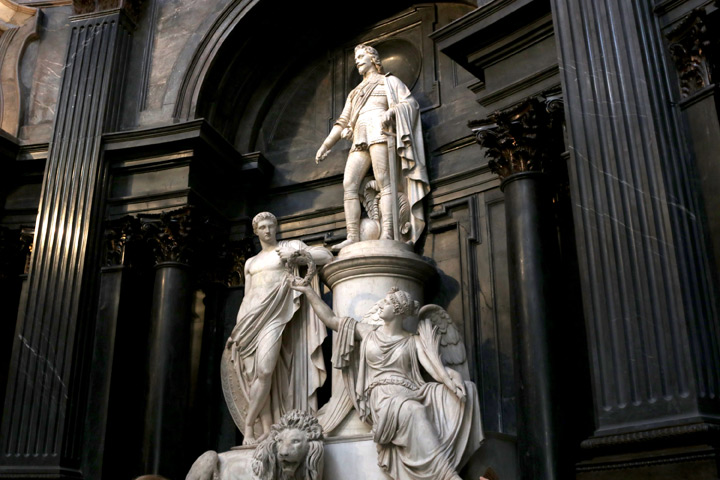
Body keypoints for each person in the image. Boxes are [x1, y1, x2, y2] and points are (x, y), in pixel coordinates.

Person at [290, 282, 483, 480]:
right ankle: (447, 475)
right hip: (382, 395)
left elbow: (436, 370)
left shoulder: (413, 341)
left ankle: (440, 469)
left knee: (466, 391)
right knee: (413, 409)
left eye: (387, 302)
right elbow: (331, 320)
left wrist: (452, 380)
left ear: (398, 311)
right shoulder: (367, 332)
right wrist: (308, 291)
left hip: (411, 390)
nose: (381, 305)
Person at [224, 212, 333, 444]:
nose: (267, 230)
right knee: (255, 375)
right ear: (256, 231)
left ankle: (248, 425)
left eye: (270, 226)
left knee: (264, 370)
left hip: (275, 317)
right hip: (249, 321)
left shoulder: (288, 248)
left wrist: (296, 255)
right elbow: (247, 296)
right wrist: (237, 329)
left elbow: (326, 255)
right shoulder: (250, 263)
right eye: (262, 227)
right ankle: (264, 429)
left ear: (276, 228)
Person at [315, 44, 430, 250]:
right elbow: (342, 121)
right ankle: (352, 236)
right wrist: (326, 145)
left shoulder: (389, 82)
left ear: (373, 59)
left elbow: (409, 104)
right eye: (356, 58)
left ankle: (387, 232)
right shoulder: (355, 92)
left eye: (361, 56)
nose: (357, 61)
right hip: (360, 138)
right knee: (349, 184)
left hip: (380, 133)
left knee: (384, 182)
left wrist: (392, 112)